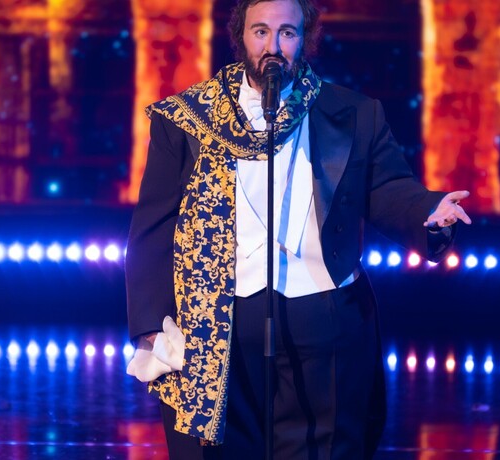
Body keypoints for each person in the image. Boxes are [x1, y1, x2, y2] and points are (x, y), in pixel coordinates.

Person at [125, 0, 472, 458]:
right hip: (220, 319)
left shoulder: (352, 113)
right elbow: (155, 225)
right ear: (241, 36)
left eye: (287, 33)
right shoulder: (187, 119)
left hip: (323, 311)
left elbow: (386, 188)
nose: (273, 46)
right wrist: (150, 322)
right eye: (261, 32)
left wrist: (427, 210)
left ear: (304, 39)